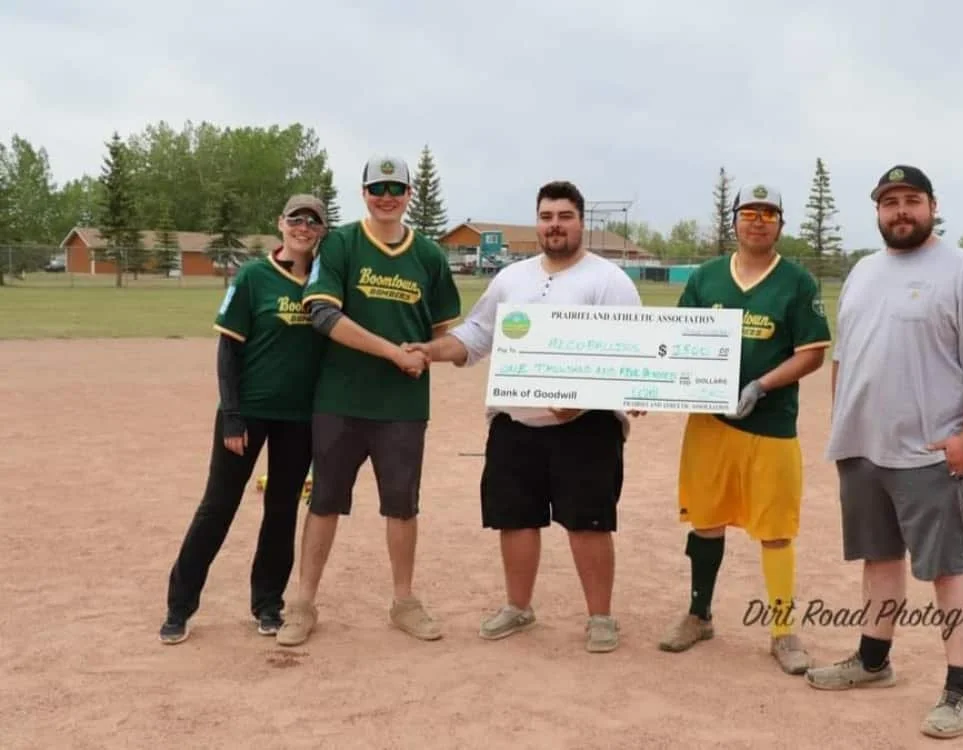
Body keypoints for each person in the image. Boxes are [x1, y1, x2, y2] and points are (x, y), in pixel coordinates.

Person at [804, 165, 963, 739]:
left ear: (932, 206)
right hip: (863, 449)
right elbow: (845, 359)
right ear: (877, 211)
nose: (901, 211)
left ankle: (961, 689)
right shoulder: (863, 271)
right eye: (890, 202)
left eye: (912, 201)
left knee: (949, 570)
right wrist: (842, 423)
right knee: (878, 558)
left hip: (930, 453)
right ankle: (873, 661)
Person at [409, 180, 642, 653]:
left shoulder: (609, 281)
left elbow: (631, 354)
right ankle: (519, 607)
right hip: (515, 424)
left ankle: (600, 617)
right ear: (537, 222)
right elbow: (476, 334)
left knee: (589, 522)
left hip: (586, 427)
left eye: (564, 216)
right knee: (514, 518)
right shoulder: (511, 279)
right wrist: (429, 351)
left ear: (580, 222)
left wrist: (587, 400)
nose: (554, 225)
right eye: (546, 216)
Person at [275, 156, 461, 647]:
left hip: (402, 407)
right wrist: (392, 353)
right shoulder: (341, 243)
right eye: (377, 187)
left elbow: (443, 332)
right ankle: (303, 603)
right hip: (339, 400)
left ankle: (404, 602)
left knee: (402, 506)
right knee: (325, 501)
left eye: (394, 188)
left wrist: (427, 354)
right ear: (363, 192)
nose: (386, 196)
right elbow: (321, 314)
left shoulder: (429, 256)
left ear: (408, 194)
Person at [657, 184, 831, 674]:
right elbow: (675, 342)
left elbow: (811, 352)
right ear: (734, 221)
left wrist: (760, 385)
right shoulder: (707, 277)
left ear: (781, 224)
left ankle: (782, 631)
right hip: (710, 423)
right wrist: (649, 387)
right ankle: (698, 614)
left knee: (775, 529)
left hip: (771, 425)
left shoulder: (796, 282)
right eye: (749, 212)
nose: (759, 220)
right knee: (706, 520)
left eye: (769, 213)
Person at [159, 193, 329, 644]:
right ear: (281, 224)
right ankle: (180, 605)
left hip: (299, 419)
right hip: (248, 414)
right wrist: (232, 416)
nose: (304, 228)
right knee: (218, 507)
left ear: (322, 232)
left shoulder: (327, 281)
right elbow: (228, 350)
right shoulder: (254, 276)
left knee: (280, 512)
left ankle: (267, 604)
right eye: (296, 220)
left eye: (313, 222)